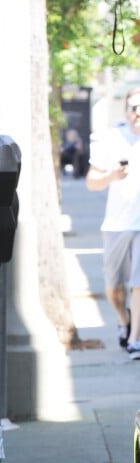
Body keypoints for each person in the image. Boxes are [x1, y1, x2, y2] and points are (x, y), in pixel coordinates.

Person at [85, 87, 140, 359]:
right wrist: (112, 176)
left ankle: (134, 338)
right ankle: (122, 318)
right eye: (133, 108)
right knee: (114, 287)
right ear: (126, 111)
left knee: (138, 283)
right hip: (116, 225)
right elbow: (91, 182)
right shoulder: (113, 138)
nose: (137, 113)